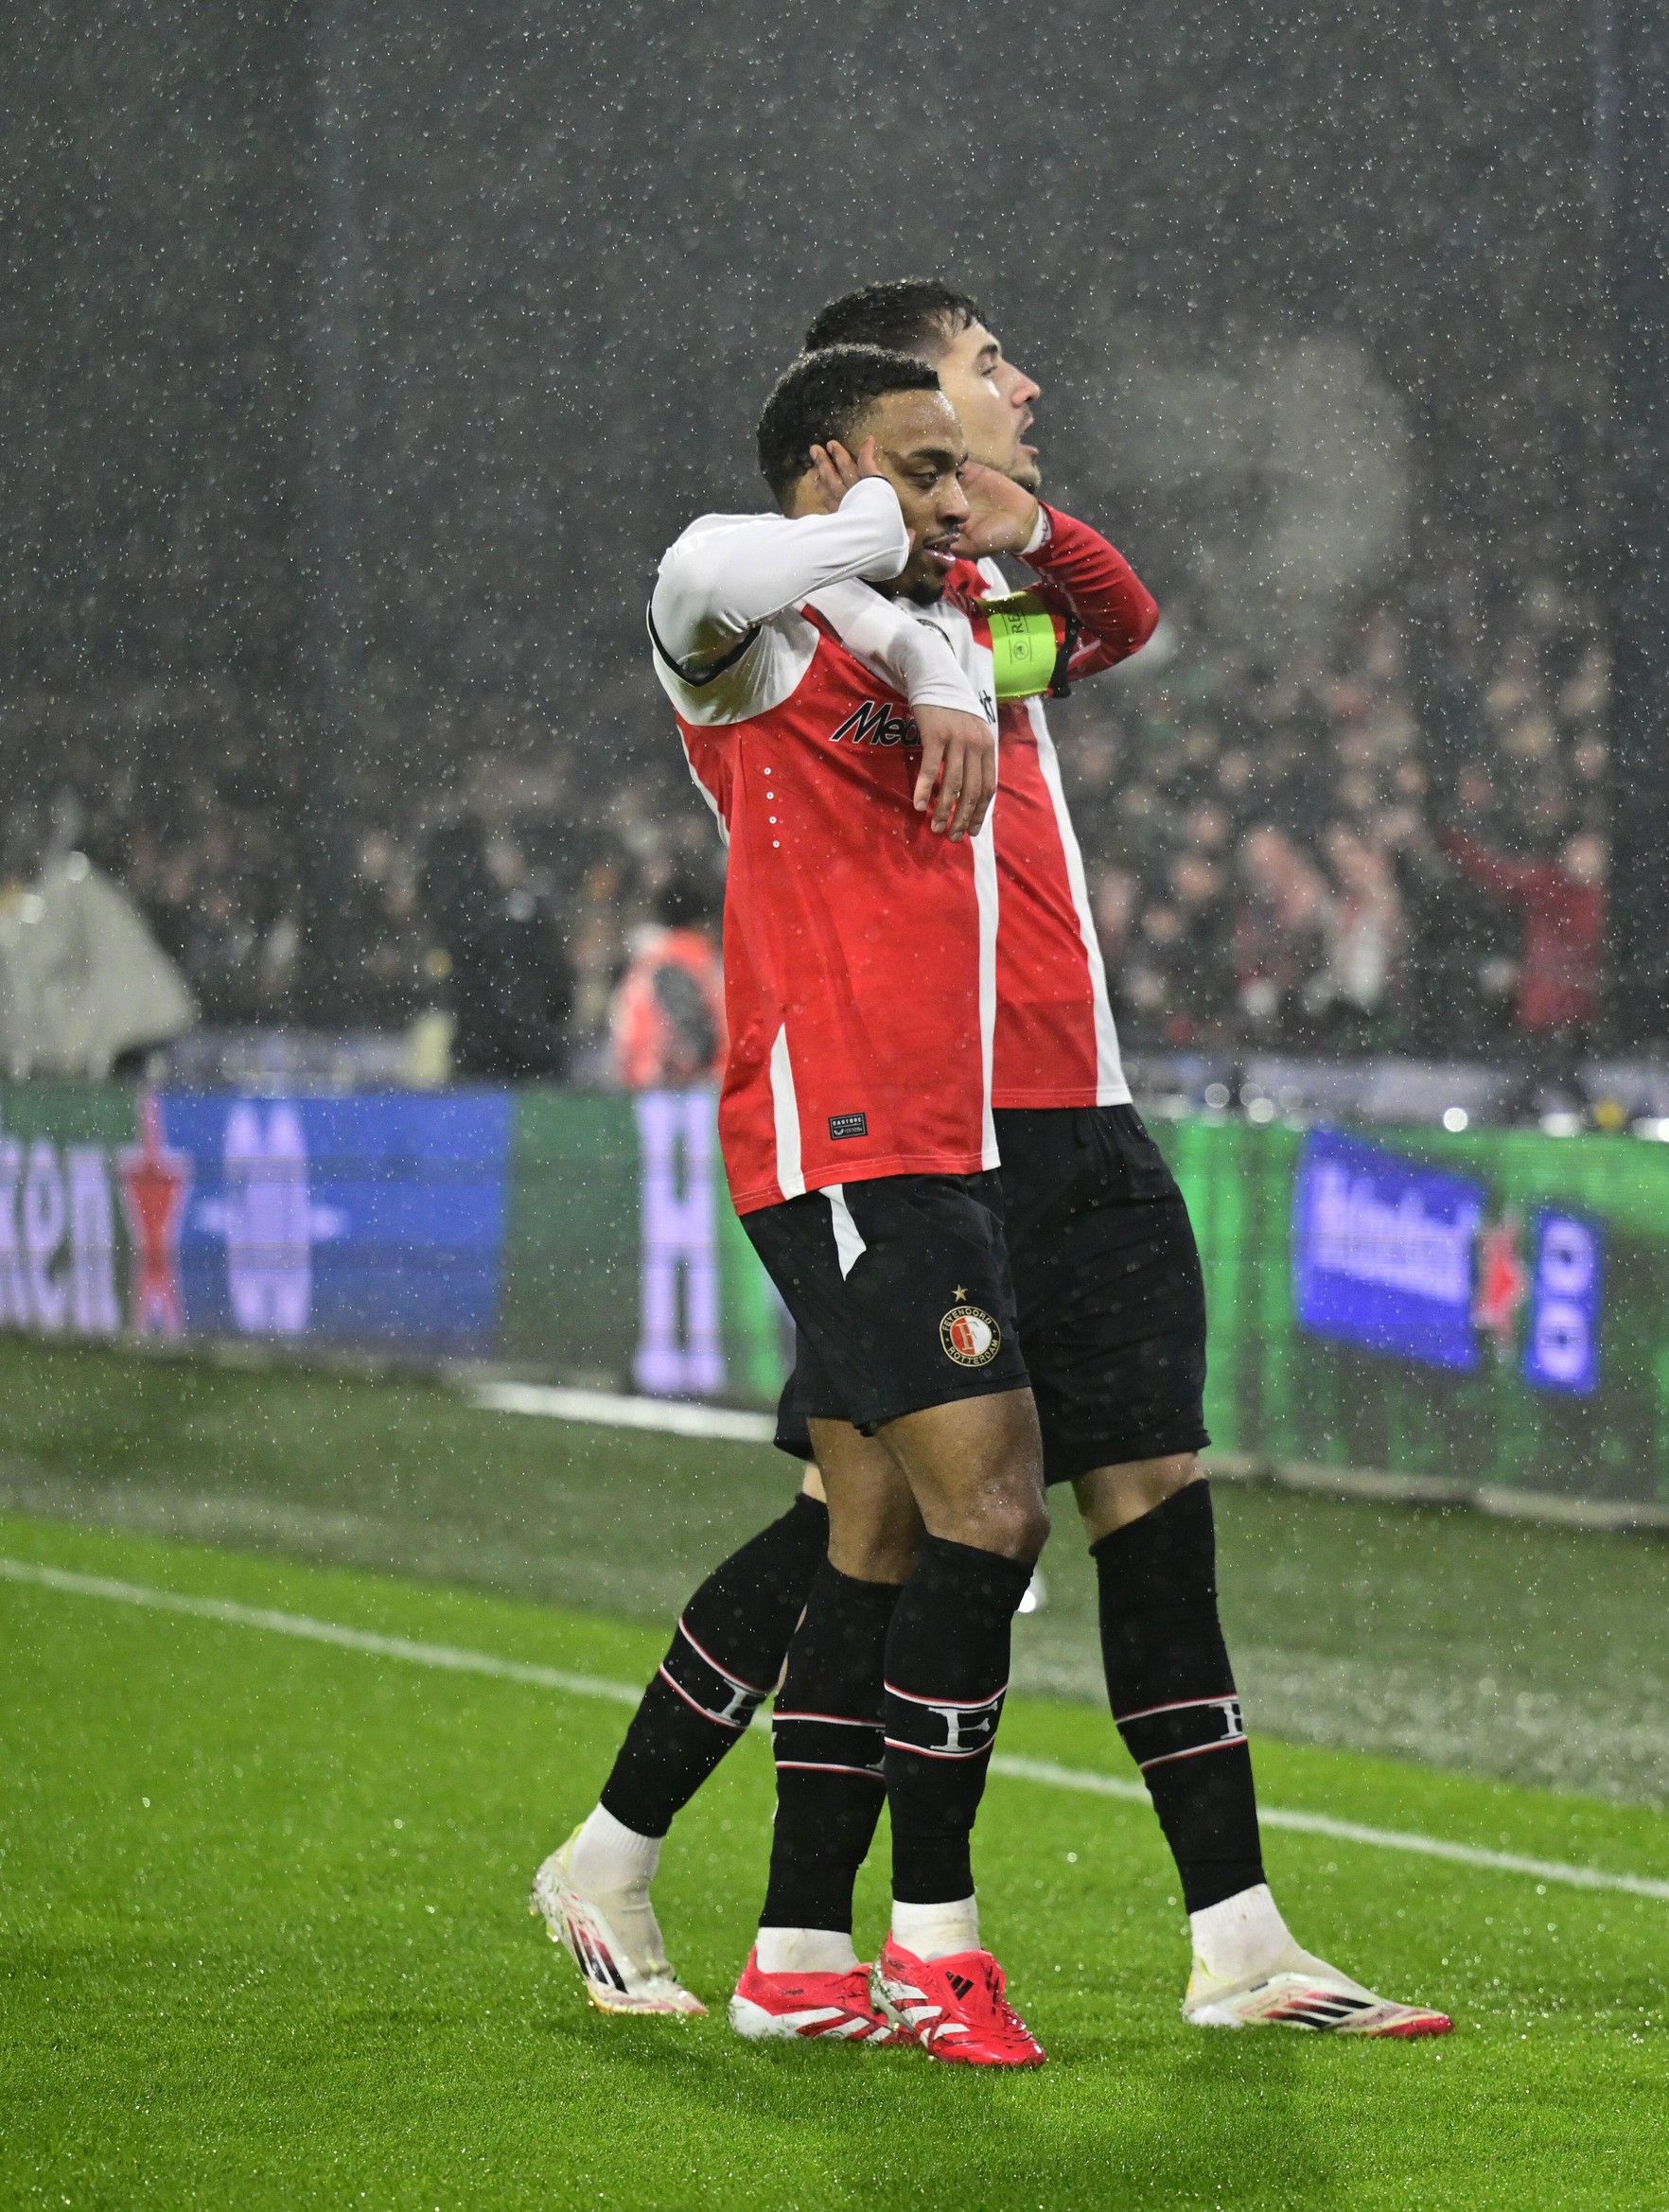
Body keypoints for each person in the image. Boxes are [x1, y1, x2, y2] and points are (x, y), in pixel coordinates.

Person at [534, 343, 1052, 2064]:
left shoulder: (932, 625)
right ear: (834, 467)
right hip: (839, 1142)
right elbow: (697, 568)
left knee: (873, 1533)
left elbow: (1117, 610)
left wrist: (940, 637)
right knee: (992, 1513)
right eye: (924, 463)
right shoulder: (747, 651)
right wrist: (884, 575)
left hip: (938, 1137)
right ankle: (934, 1943)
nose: (958, 495)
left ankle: (778, 1943)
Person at [607, 877, 725, 1091]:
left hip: (640, 1081)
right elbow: (694, 1035)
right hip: (681, 1086)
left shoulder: (647, 959)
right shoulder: (690, 960)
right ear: (701, 922)